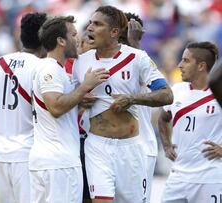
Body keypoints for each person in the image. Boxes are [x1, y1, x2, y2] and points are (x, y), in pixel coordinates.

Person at [72, 6, 173, 203]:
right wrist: (80, 98)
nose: (90, 28)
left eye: (98, 24)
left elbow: (166, 95)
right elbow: (65, 102)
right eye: (91, 23)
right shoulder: (80, 63)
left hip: (130, 148)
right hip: (97, 146)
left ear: (114, 32)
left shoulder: (137, 58)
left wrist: (132, 98)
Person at [30, 16, 109, 203]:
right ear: (61, 40)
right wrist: (83, 88)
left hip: (48, 161)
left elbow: (56, 109)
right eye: (73, 35)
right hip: (59, 164)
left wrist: (79, 105)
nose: (77, 39)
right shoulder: (51, 70)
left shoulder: (56, 69)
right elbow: (56, 107)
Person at [0, 12, 47, 203]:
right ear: (44, 37)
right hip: (28, 154)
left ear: (20, 35)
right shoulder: (42, 68)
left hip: (1, 153)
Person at [158, 41, 222, 203]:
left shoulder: (219, 94)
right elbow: (163, 118)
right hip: (177, 177)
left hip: (209, 179)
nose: (179, 65)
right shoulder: (177, 90)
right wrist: (166, 145)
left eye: (186, 60)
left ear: (201, 66)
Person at [119, 13, 157, 203]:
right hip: (109, 148)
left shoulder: (142, 60)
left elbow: (163, 94)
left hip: (140, 147)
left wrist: (133, 42)